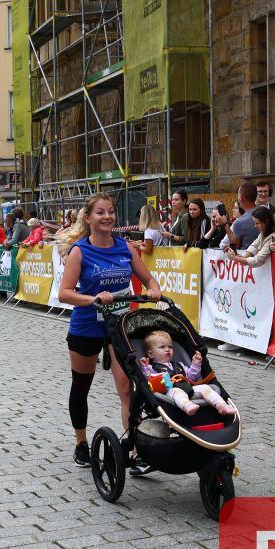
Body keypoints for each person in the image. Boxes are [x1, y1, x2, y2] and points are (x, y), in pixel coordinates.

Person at [58, 193, 161, 473]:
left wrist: (153, 289)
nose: (107, 217)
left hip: (119, 325)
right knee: (82, 386)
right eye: (101, 212)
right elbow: (65, 293)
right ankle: (81, 443)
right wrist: (93, 299)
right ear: (88, 217)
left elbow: (148, 278)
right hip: (87, 327)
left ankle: (137, 450)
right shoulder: (80, 251)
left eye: (111, 212)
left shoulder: (125, 247)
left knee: (128, 389)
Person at [138, 331, 235, 417]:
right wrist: (144, 367)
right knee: (177, 391)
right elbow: (147, 380)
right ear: (150, 354)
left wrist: (196, 364)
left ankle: (221, 405)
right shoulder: (151, 368)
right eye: (162, 347)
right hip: (169, 394)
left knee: (205, 387)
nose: (167, 349)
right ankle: (188, 406)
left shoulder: (179, 365)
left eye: (170, 347)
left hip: (188, 389)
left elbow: (191, 377)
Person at [227, 182, 260, 250]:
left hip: (246, 255)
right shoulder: (266, 212)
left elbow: (235, 245)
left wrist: (225, 225)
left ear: (240, 198)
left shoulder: (239, 222)